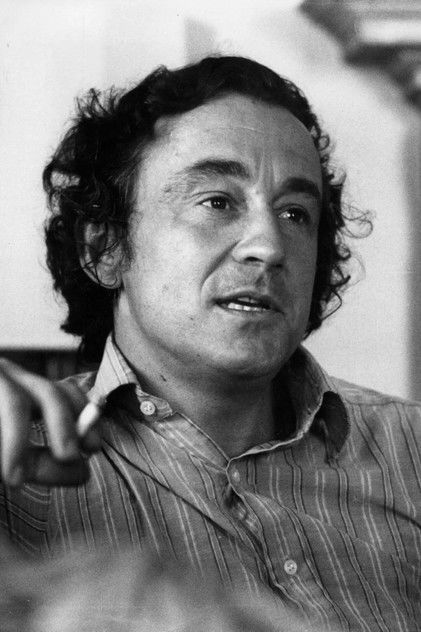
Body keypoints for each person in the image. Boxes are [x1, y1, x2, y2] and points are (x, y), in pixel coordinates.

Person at [0, 55, 419, 632]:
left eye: (296, 213)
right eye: (217, 202)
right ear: (104, 249)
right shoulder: (19, 471)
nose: (269, 246)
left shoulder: (411, 450)